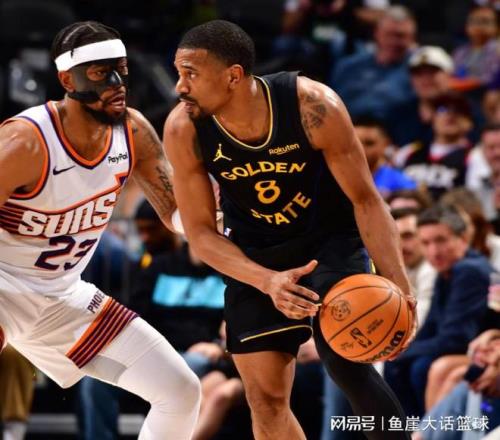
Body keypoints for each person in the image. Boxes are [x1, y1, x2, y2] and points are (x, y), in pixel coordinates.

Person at [164, 19, 417, 440]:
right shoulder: (184, 129)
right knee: (265, 401)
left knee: (346, 361)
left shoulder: (312, 105)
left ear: (233, 76)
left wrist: (399, 286)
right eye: (179, 72)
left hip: (328, 240)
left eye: (190, 74)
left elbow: (367, 201)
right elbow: (202, 234)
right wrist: (267, 281)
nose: (179, 86)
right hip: (256, 253)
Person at [0, 21, 201, 440]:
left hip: (63, 295)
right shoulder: (25, 142)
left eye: (121, 70)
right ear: (66, 80)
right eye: (100, 73)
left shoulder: (133, 131)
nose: (116, 84)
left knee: (180, 392)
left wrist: (220, 223)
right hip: (5, 288)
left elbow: (176, 215)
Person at [384, 204, 492, 418]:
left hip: (483, 353)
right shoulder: (448, 271)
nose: (433, 251)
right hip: (462, 350)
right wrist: (397, 350)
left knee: (418, 366)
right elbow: (431, 327)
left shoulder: (469, 270)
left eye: (441, 240)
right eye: (426, 243)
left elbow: (456, 338)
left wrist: (400, 353)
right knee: (401, 364)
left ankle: (419, 429)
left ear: (463, 238)